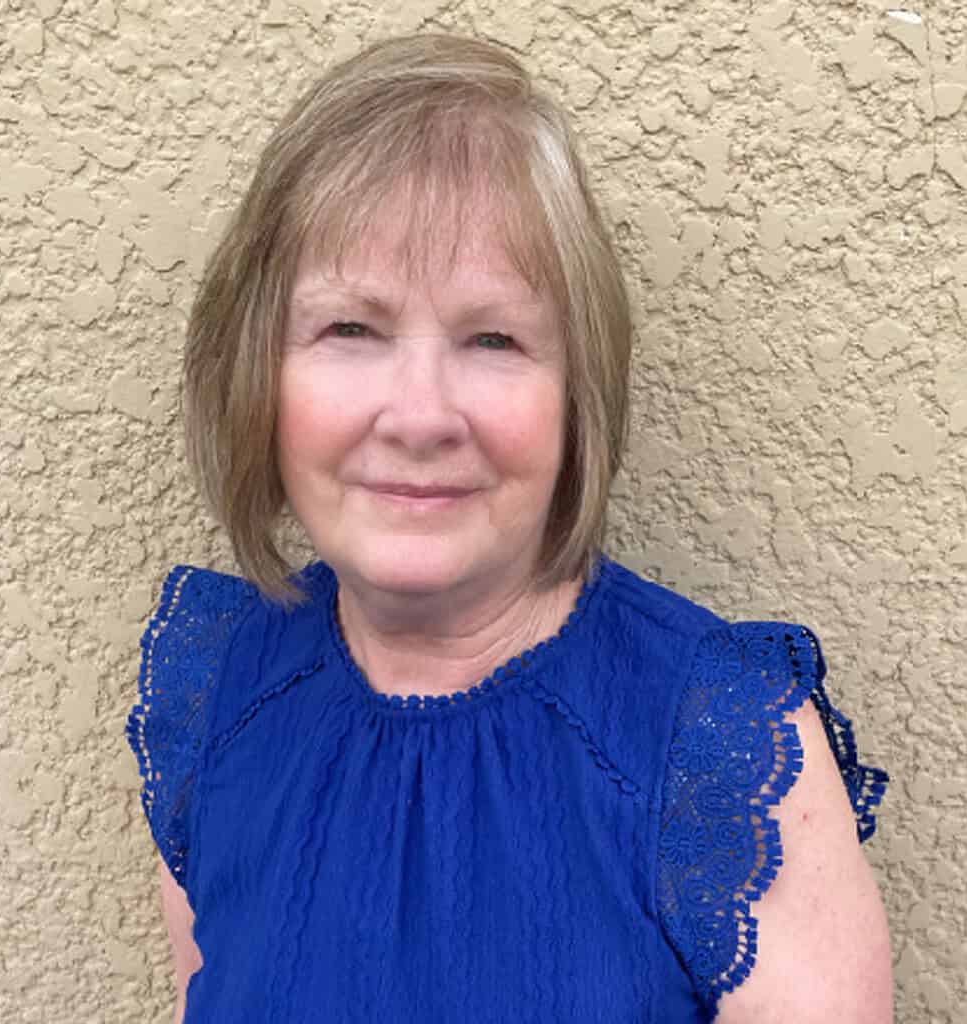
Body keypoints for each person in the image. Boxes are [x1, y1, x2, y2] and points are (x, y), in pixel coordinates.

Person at [126, 33, 893, 1024]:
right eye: (349, 329)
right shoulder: (219, 697)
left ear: (576, 395)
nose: (419, 414)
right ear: (258, 374)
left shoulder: (719, 744)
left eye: (493, 338)